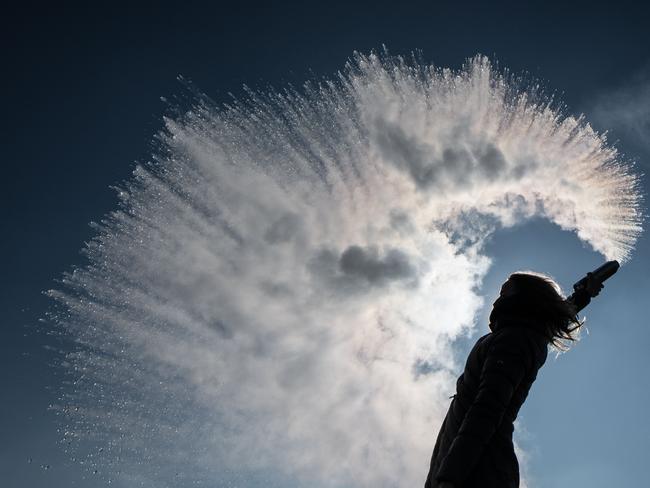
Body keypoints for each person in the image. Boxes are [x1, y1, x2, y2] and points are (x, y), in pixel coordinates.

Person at [424, 271, 603, 488]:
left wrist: (450, 477)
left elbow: (487, 410)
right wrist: (583, 296)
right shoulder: (520, 334)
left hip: (476, 474)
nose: (497, 301)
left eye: (504, 294)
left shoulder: (513, 340)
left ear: (523, 299)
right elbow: (543, 319)